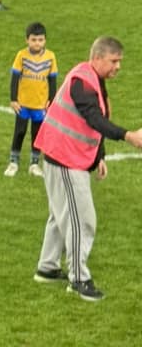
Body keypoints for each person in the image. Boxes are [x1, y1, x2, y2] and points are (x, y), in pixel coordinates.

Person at [33, 36, 142, 302]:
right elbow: (94, 118)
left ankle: (47, 268)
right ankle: (79, 279)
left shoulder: (92, 78)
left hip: (64, 155)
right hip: (65, 160)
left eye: (119, 62)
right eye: (114, 61)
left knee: (60, 215)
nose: (118, 67)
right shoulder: (83, 83)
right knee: (82, 220)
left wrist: (99, 156)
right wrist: (129, 136)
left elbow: (94, 122)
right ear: (97, 58)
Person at [4, 23, 57, 178]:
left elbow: (52, 80)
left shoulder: (50, 57)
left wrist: (51, 101)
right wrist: (13, 99)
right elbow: (14, 77)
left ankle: (34, 163)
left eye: (40, 40)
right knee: (19, 131)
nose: (37, 43)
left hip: (40, 105)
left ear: (45, 40)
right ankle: (13, 161)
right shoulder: (22, 55)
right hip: (23, 103)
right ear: (27, 40)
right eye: (33, 40)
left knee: (37, 134)